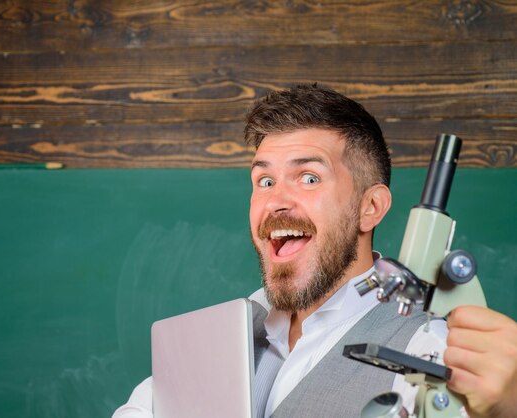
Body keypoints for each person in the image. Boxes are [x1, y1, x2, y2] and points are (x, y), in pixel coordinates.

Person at [113, 84, 517, 417]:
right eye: (265, 181)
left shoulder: (430, 351)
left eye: (308, 177)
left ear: (370, 207)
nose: (276, 201)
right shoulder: (208, 341)